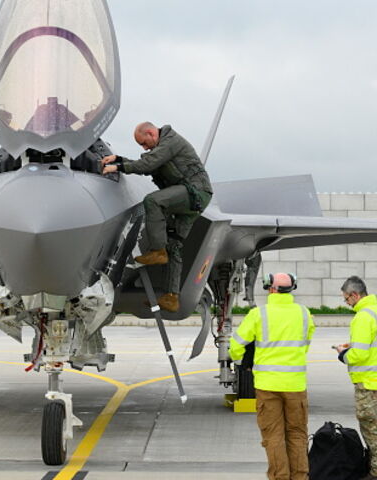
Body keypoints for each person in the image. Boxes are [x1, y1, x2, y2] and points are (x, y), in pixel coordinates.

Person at [101, 122, 213, 313]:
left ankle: (158, 251)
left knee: (153, 201)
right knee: (175, 246)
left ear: (152, 133)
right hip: (192, 198)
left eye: (145, 143)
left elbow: (149, 163)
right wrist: (119, 159)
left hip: (194, 193)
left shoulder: (170, 141)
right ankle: (171, 297)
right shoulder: (162, 149)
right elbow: (147, 167)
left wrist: (118, 167)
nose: (145, 148)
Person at [229, 273, 315, 480]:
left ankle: (279, 477)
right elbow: (306, 342)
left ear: (270, 288)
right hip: (295, 385)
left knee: (273, 435)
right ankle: (300, 477)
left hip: (267, 385)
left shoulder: (259, 314)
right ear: (293, 287)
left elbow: (236, 346)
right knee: (297, 434)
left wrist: (243, 362)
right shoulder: (304, 313)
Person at [336, 276, 377, 480]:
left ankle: (375, 472)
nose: (347, 303)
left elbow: (359, 354)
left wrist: (343, 354)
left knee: (371, 428)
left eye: (346, 299)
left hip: (369, 381)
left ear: (355, 295)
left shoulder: (363, 317)